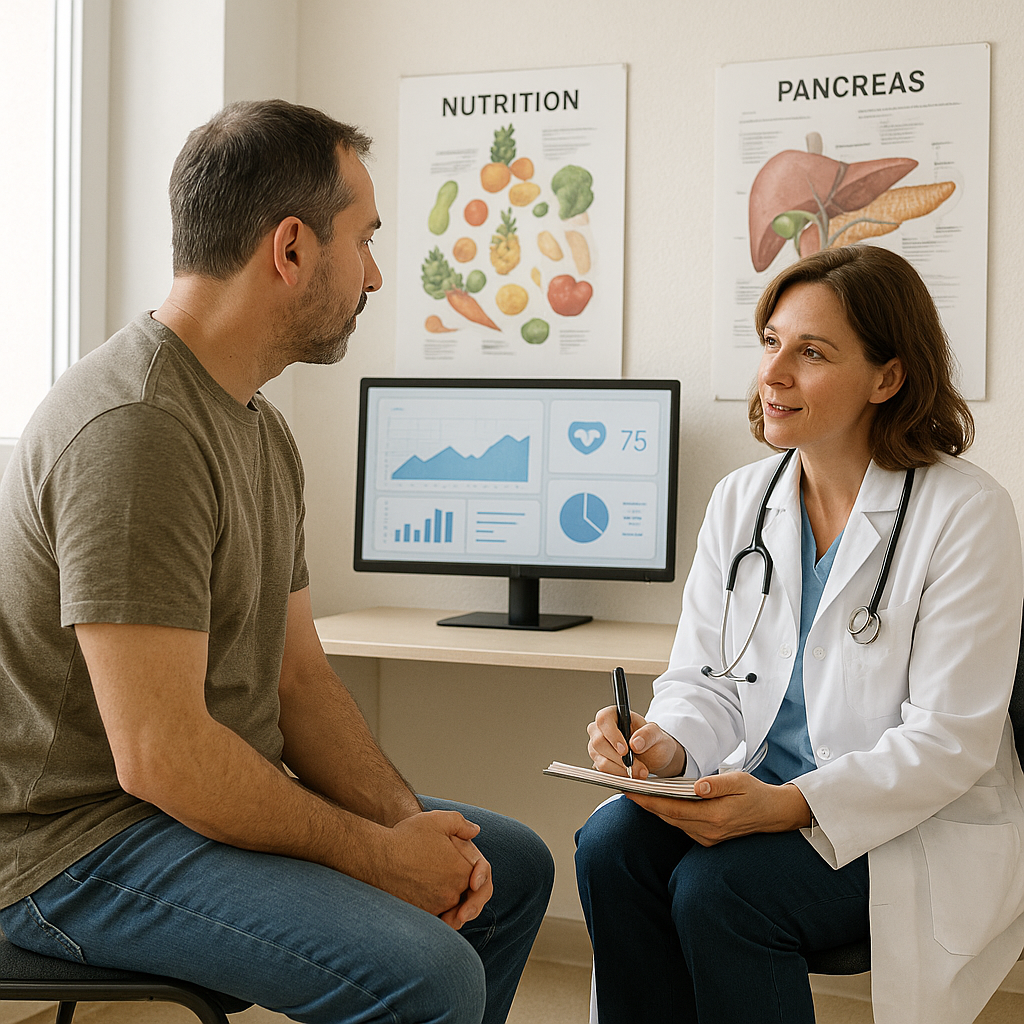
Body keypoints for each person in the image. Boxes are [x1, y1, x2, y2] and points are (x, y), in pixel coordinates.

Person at [0, 99, 553, 1024]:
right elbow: (161, 755)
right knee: (431, 973)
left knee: (509, 867)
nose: (377, 275)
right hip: (74, 847)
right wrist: (379, 858)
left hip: (167, 815)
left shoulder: (258, 424)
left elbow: (298, 680)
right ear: (291, 249)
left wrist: (411, 827)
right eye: (366, 241)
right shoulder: (136, 431)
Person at [575, 245, 1024, 1024]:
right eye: (771, 342)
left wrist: (788, 807)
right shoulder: (742, 500)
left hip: (900, 821)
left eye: (811, 353)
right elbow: (702, 681)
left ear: (888, 377)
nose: (774, 373)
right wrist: (666, 747)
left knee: (720, 892)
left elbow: (950, 741)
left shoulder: (966, 512)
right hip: (752, 786)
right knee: (609, 846)